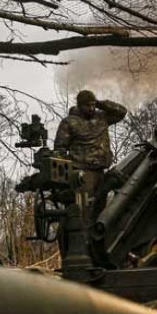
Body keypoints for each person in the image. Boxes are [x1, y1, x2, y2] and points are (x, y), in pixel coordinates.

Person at [53, 90, 127, 220]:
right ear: (80, 106)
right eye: (88, 106)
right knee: (84, 212)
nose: (91, 108)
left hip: (100, 172)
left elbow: (121, 111)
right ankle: (83, 237)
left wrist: (100, 103)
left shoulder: (101, 118)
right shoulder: (69, 122)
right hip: (82, 174)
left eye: (93, 105)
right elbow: (60, 149)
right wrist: (69, 175)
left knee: (100, 211)